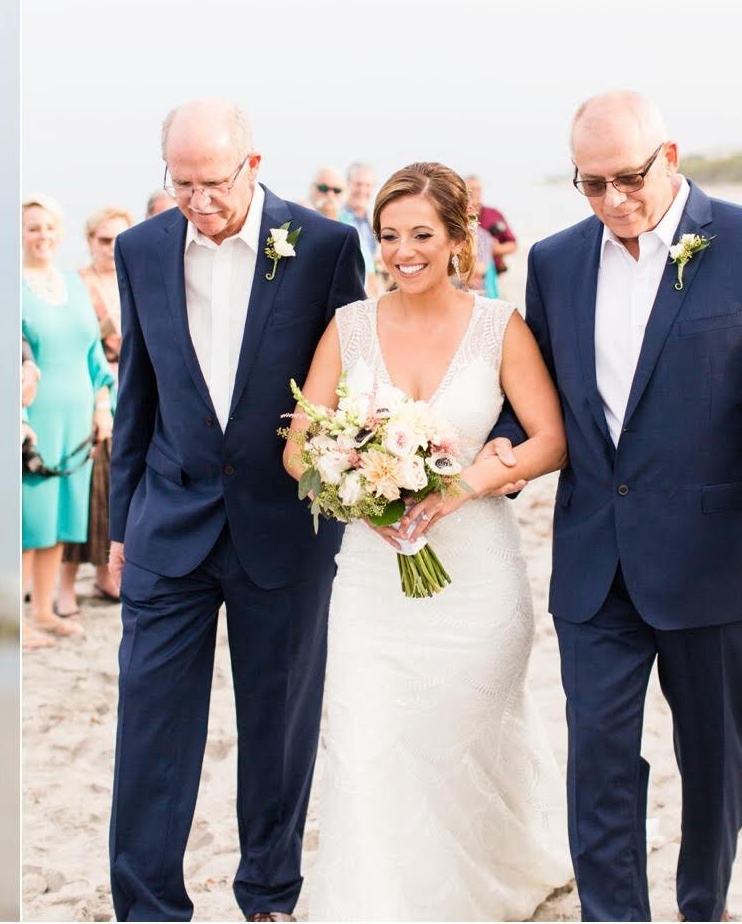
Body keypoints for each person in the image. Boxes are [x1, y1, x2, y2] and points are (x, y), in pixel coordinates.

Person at [496, 91, 742, 921]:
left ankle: (703, 904)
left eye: (628, 179)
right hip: (596, 559)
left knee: (715, 758)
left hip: (720, 560)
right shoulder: (558, 260)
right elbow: (541, 403)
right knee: (598, 755)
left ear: (669, 156)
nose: (612, 201)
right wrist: (477, 452)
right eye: (591, 184)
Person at [284, 162, 572, 918]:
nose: (403, 251)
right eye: (388, 236)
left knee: (462, 740)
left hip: (476, 575)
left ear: (455, 240)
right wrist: (359, 492)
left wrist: (463, 485)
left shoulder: (497, 327)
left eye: (421, 235)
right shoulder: (349, 326)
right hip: (372, 584)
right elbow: (297, 446)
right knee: (368, 739)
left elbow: (550, 440)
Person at [107, 101, 365, 921]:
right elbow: (136, 392)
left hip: (284, 526)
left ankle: (268, 895)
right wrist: (119, 530)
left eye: (212, 183)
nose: (197, 201)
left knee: (278, 725)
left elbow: (354, 387)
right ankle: (147, 905)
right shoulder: (140, 249)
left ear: (253, 165)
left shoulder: (326, 247)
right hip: (167, 524)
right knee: (150, 727)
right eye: (180, 184)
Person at [22, 195, 114, 648]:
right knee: (27, 522)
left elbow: (95, 355)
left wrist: (102, 406)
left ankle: (43, 612)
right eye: (32, 228)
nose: (42, 236)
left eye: (49, 228)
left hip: (78, 420)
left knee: (61, 518)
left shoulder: (75, 285)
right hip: (34, 421)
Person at [60, 207, 135, 611]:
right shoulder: (76, 285)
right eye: (103, 240)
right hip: (92, 391)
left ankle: (108, 575)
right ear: (90, 241)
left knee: (117, 492)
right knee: (87, 489)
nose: (110, 248)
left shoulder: (135, 278)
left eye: (117, 239)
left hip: (134, 393)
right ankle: (65, 584)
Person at [337, 161, 380, 295]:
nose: (362, 190)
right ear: (347, 185)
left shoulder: (376, 220)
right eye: (358, 184)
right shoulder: (335, 218)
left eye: (367, 185)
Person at [465, 173, 517, 279]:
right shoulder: (457, 216)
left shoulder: (494, 214)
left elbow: (513, 244)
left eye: (478, 189)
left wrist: (495, 248)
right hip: (466, 275)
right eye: (471, 190)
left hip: (492, 275)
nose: (475, 194)